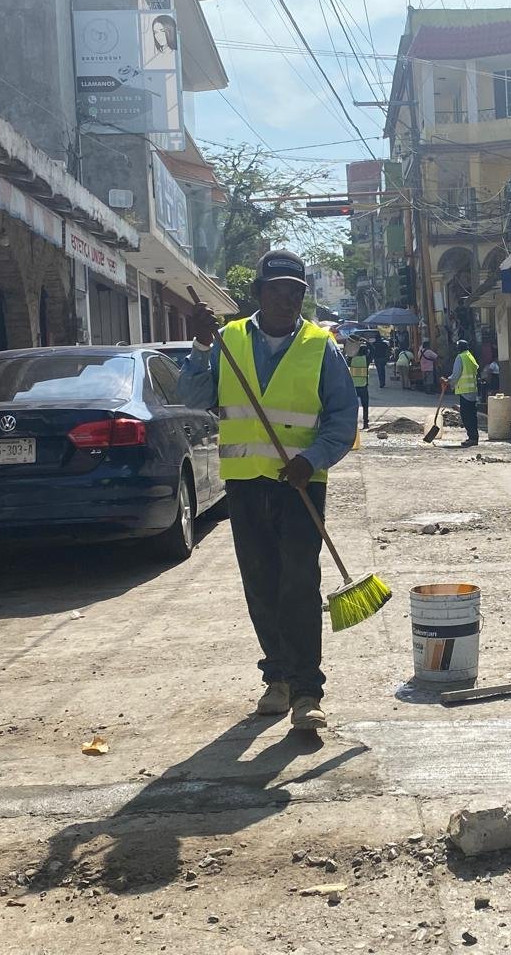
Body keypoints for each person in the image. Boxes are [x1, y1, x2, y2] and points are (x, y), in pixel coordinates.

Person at [177, 249, 358, 730]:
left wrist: (312, 459)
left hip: (299, 485)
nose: (285, 298)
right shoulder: (227, 340)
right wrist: (198, 347)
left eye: (295, 291)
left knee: (300, 583)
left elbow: (343, 420)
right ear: (259, 293)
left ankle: (305, 692)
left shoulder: (322, 347)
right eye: (276, 289)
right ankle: (275, 678)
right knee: (260, 583)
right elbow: (194, 399)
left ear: (303, 295)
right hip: (245, 484)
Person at [446, 338, 481, 448]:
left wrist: (449, 382)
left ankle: (472, 438)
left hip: (465, 391)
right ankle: (474, 437)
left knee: (466, 416)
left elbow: (456, 374)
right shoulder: (470, 356)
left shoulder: (460, 357)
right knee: (472, 415)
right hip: (472, 391)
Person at [347, 338, 371, 430]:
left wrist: (354, 345)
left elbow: (348, 352)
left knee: (353, 406)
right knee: (365, 406)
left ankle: (353, 423)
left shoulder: (351, 359)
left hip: (353, 387)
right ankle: (365, 423)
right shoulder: (366, 359)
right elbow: (372, 349)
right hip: (363, 386)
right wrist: (366, 341)